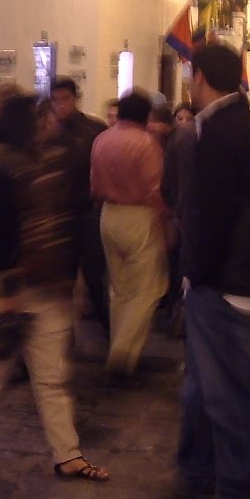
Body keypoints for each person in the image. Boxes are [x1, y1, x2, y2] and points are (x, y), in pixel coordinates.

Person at [0, 95, 110, 482]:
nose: (52, 124)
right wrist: (9, 289)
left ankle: (68, 454)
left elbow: (67, 221)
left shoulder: (53, 163)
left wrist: (67, 278)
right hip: (5, 286)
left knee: (51, 375)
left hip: (47, 285)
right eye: (43, 119)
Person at [174, 43, 250, 499]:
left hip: (224, 282)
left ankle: (237, 497)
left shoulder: (216, 133)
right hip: (244, 276)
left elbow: (210, 216)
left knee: (228, 395)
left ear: (199, 77)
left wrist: (197, 272)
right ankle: (199, 472)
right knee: (212, 388)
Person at [89, 90, 166, 384]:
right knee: (149, 288)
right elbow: (154, 190)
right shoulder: (146, 144)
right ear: (146, 115)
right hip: (139, 215)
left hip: (108, 214)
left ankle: (120, 348)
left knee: (119, 289)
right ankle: (123, 349)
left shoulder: (102, 140)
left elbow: (94, 185)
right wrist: (165, 222)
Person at [49, 76, 109, 336]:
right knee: (62, 279)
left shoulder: (93, 130)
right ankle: (64, 337)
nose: (61, 105)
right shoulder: (48, 132)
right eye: (55, 100)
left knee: (95, 274)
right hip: (59, 214)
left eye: (65, 99)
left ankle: (109, 330)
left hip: (88, 211)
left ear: (75, 99)